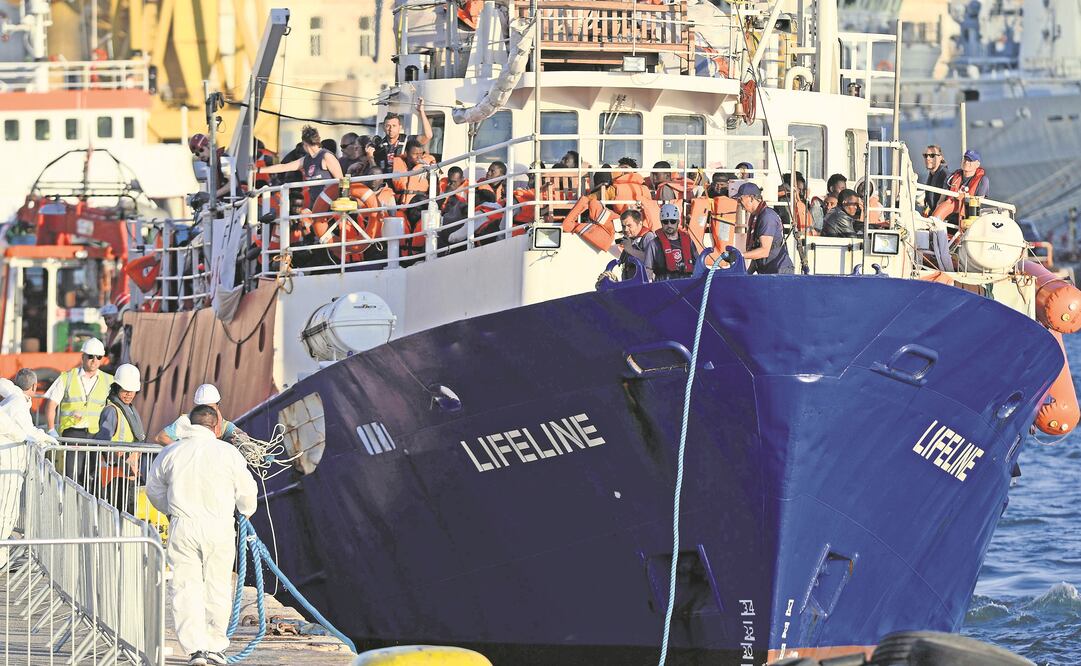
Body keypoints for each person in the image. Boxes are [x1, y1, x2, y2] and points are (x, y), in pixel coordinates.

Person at [145, 405, 257, 666]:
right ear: (216, 426)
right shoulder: (228, 453)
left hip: (183, 525)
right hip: (219, 526)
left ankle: (196, 650)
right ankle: (215, 645)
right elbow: (247, 491)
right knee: (218, 586)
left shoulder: (172, 452)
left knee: (185, 587)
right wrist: (245, 511)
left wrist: (170, 510)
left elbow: (154, 489)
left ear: (189, 425)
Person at [0, 369, 56, 569]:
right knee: (6, 513)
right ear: (33, 386)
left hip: (9, 466)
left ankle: (2, 558)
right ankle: (1, 560)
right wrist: (45, 438)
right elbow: (27, 432)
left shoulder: (13, 399)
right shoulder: (18, 404)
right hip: (9, 467)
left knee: (7, 512)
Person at [42, 338, 114, 483]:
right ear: (83, 357)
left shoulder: (109, 381)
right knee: (72, 477)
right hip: (72, 432)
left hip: (96, 434)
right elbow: (51, 404)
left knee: (92, 477)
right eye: (90, 356)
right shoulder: (67, 378)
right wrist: (51, 430)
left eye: (98, 357)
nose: (94, 360)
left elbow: (115, 409)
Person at [93, 364, 146, 512]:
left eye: (132, 391)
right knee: (119, 514)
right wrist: (120, 461)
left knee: (128, 514)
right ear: (117, 388)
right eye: (125, 390)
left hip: (127, 474)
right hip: (115, 476)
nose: (129, 394)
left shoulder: (129, 410)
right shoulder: (112, 411)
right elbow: (103, 442)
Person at [255, 125, 343, 203]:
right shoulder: (306, 159)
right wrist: (258, 170)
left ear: (304, 143)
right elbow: (284, 167)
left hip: (329, 202)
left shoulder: (326, 156)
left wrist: (342, 201)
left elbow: (341, 180)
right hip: (314, 203)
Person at [736, 182, 795, 275]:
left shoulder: (767, 217)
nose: (739, 202)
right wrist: (747, 275)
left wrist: (739, 256)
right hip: (767, 271)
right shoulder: (757, 216)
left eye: (740, 199)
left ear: (751, 198)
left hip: (779, 272)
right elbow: (757, 251)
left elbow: (764, 251)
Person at [155, 384, 240, 445]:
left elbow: (240, 438)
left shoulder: (225, 427)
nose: (207, 412)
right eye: (204, 408)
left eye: (210, 408)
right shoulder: (185, 421)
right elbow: (160, 437)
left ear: (218, 405)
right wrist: (182, 449)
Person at [374, 98, 432, 171]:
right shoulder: (379, 145)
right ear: (383, 127)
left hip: (404, 176)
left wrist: (421, 111)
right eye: (388, 126)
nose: (391, 129)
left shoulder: (408, 140)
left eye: (394, 126)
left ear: (400, 127)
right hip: (386, 177)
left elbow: (428, 136)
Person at [645, 203, 696, 281]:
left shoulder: (688, 241)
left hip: (687, 283)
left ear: (678, 221)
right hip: (664, 285)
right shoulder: (653, 244)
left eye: (673, 221)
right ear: (661, 223)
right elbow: (647, 270)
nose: (669, 225)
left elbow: (698, 263)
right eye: (665, 222)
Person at [617, 209, 656, 280]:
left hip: (645, 283)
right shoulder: (630, 239)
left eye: (629, 226)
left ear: (640, 224)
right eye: (623, 226)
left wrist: (631, 250)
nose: (625, 229)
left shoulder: (648, 237)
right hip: (630, 283)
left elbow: (653, 259)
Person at [921, 144, 949, 214]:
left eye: (932, 155)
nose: (928, 158)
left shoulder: (945, 175)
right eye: (925, 155)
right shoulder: (932, 174)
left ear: (940, 157)